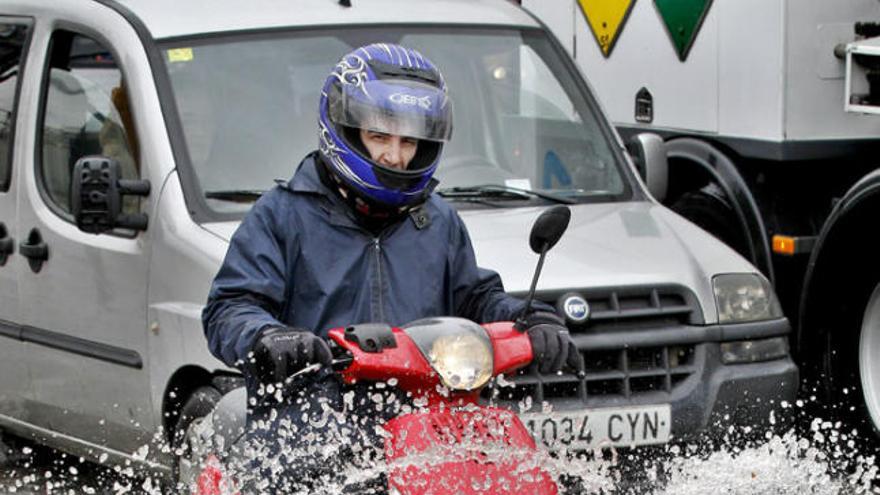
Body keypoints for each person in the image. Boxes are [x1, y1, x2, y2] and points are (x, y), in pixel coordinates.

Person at [202, 43, 583, 490]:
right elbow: (230, 308)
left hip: (427, 424)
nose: (395, 157)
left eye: (408, 142)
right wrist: (269, 337)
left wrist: (529, 320)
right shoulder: (282, 214)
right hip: (310, 424)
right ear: (343, 130)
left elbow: (474, 297)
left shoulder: (437, 219)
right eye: (380, 137)